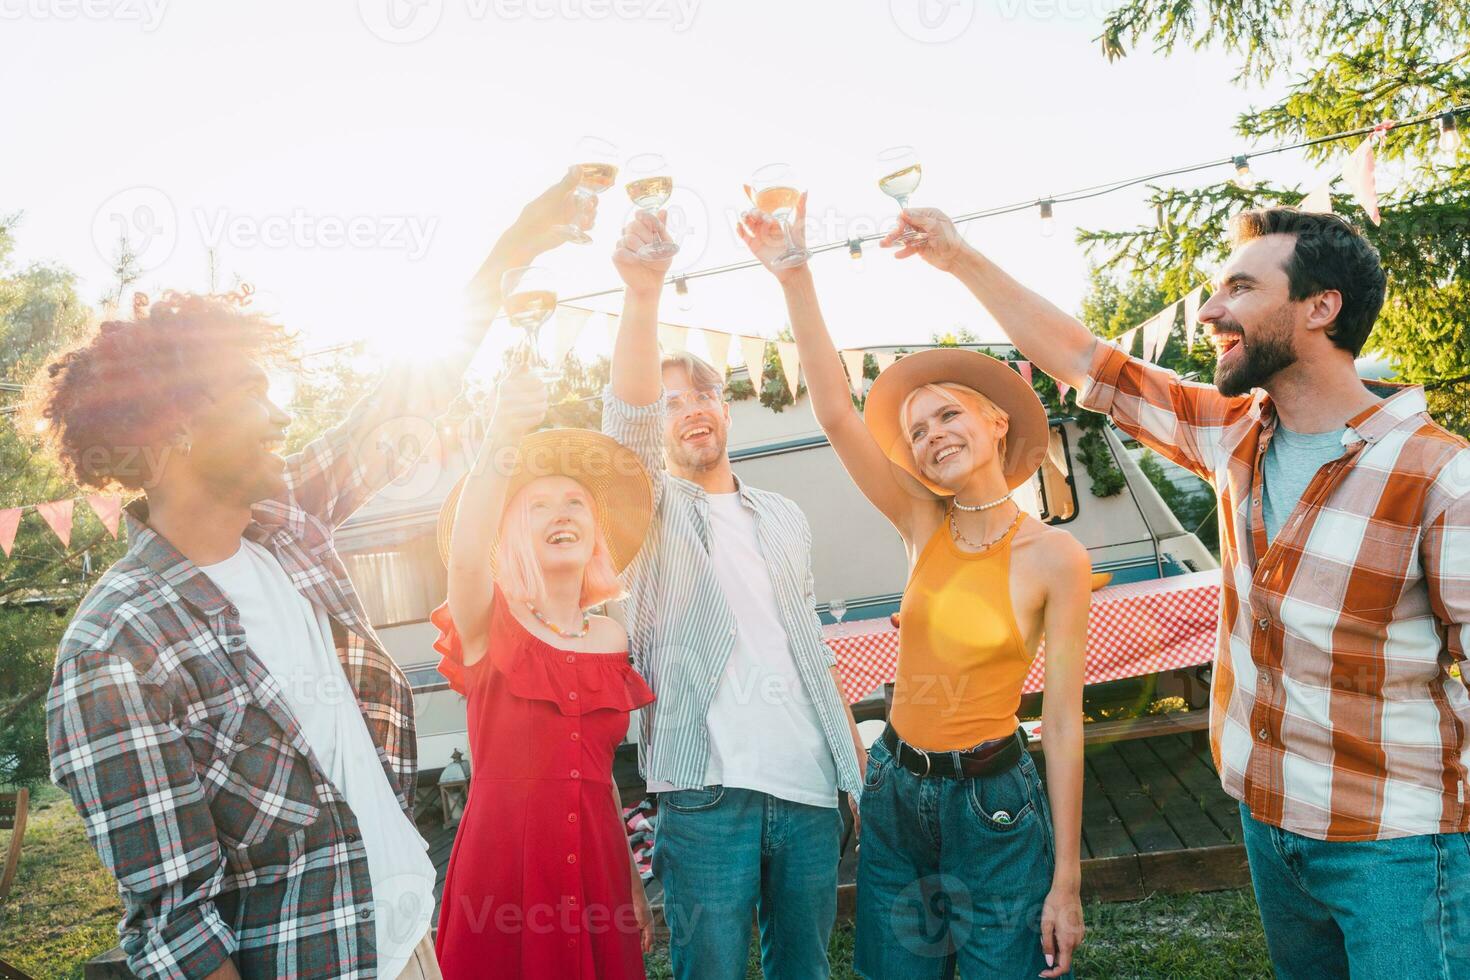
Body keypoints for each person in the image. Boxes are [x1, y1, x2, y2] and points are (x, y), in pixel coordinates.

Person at [884, 203, 1470, 978]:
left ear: (1320, 308)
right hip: (1268, 825)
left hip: (1395, 844)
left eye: (1239, 289)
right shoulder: (1234, 434)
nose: (1211, 310)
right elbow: (1089, 363)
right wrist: (957, 256)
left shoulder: (1440, 476)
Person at [37, 170, 592, 980]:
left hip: (409, 943)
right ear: (178, 424)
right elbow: (178, 933)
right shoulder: (114, 650)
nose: (281, 415)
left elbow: (400, 401)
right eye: (254, 392)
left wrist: (514, 246)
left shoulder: (288, 526)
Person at [738, 203, 1089, 979]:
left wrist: (1065, 881)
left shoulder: (1054, 556)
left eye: (947, 416)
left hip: (995, 807)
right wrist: (795, 275)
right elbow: (835, 412)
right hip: (896, 792)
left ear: (996, 422)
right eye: (919, 432)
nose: (933, 438)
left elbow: (1062, 724)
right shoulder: (922, 522)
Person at [601, 212, 867, 980]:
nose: (691, 409)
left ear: (726, 407)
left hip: (813, 793)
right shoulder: (650, 512)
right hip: (707, 795)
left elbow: (811, 651)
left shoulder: (783, 515)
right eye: (673, 400)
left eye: (704, 393)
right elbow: (624, 423)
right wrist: (643, 294)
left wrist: (853, 773)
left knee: (805, 971)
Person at [429, 363, 657, 979]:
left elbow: (602, 774)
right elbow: (467, 553)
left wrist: (632, 881)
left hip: (599, 862)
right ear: (511, 532)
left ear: (595, 529)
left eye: (577, 501)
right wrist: (502, 437)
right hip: (506, 863)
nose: (563, 512)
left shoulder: (613, 636)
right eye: (538, 505)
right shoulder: (489, 619)